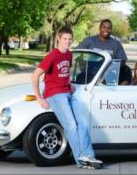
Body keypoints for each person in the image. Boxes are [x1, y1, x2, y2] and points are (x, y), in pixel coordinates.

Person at [31, 27, 102, 169]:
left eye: (70, 39)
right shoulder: (53, 55)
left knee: (83, 123)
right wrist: (39, 97)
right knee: (71, 125)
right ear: (58, 38)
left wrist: (69, 84)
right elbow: (35, 75)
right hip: (55, 94)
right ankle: (81, 158)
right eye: (65, 39)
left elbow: (64, 72)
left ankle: (89, 155)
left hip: (69, 92)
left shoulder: (69, 54)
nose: (68, 42)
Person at [77, 19, 132, 85]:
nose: (106, 30)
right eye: (104, 27)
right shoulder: (89, 41)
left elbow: (122, 61)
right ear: (100, 28)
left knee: (126, 72)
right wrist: (84, 69)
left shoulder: (116, 43)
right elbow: (78, 54)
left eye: (109, 28)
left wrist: (110, 71)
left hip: (108, 76)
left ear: (111, 30)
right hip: (90, 74)